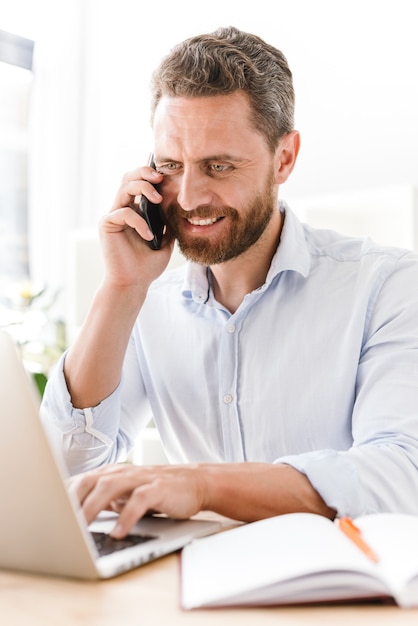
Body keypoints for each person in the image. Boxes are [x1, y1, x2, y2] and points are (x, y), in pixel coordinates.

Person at [42, 26, 418, 539]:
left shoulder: (388, 285)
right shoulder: (147, 303)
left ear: (284, 158)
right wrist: (122, 289)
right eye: (171, 165)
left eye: (218, 166)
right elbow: (66, 472)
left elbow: (400, 477)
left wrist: (202, 484)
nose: (191, 196)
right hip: (189, 592)